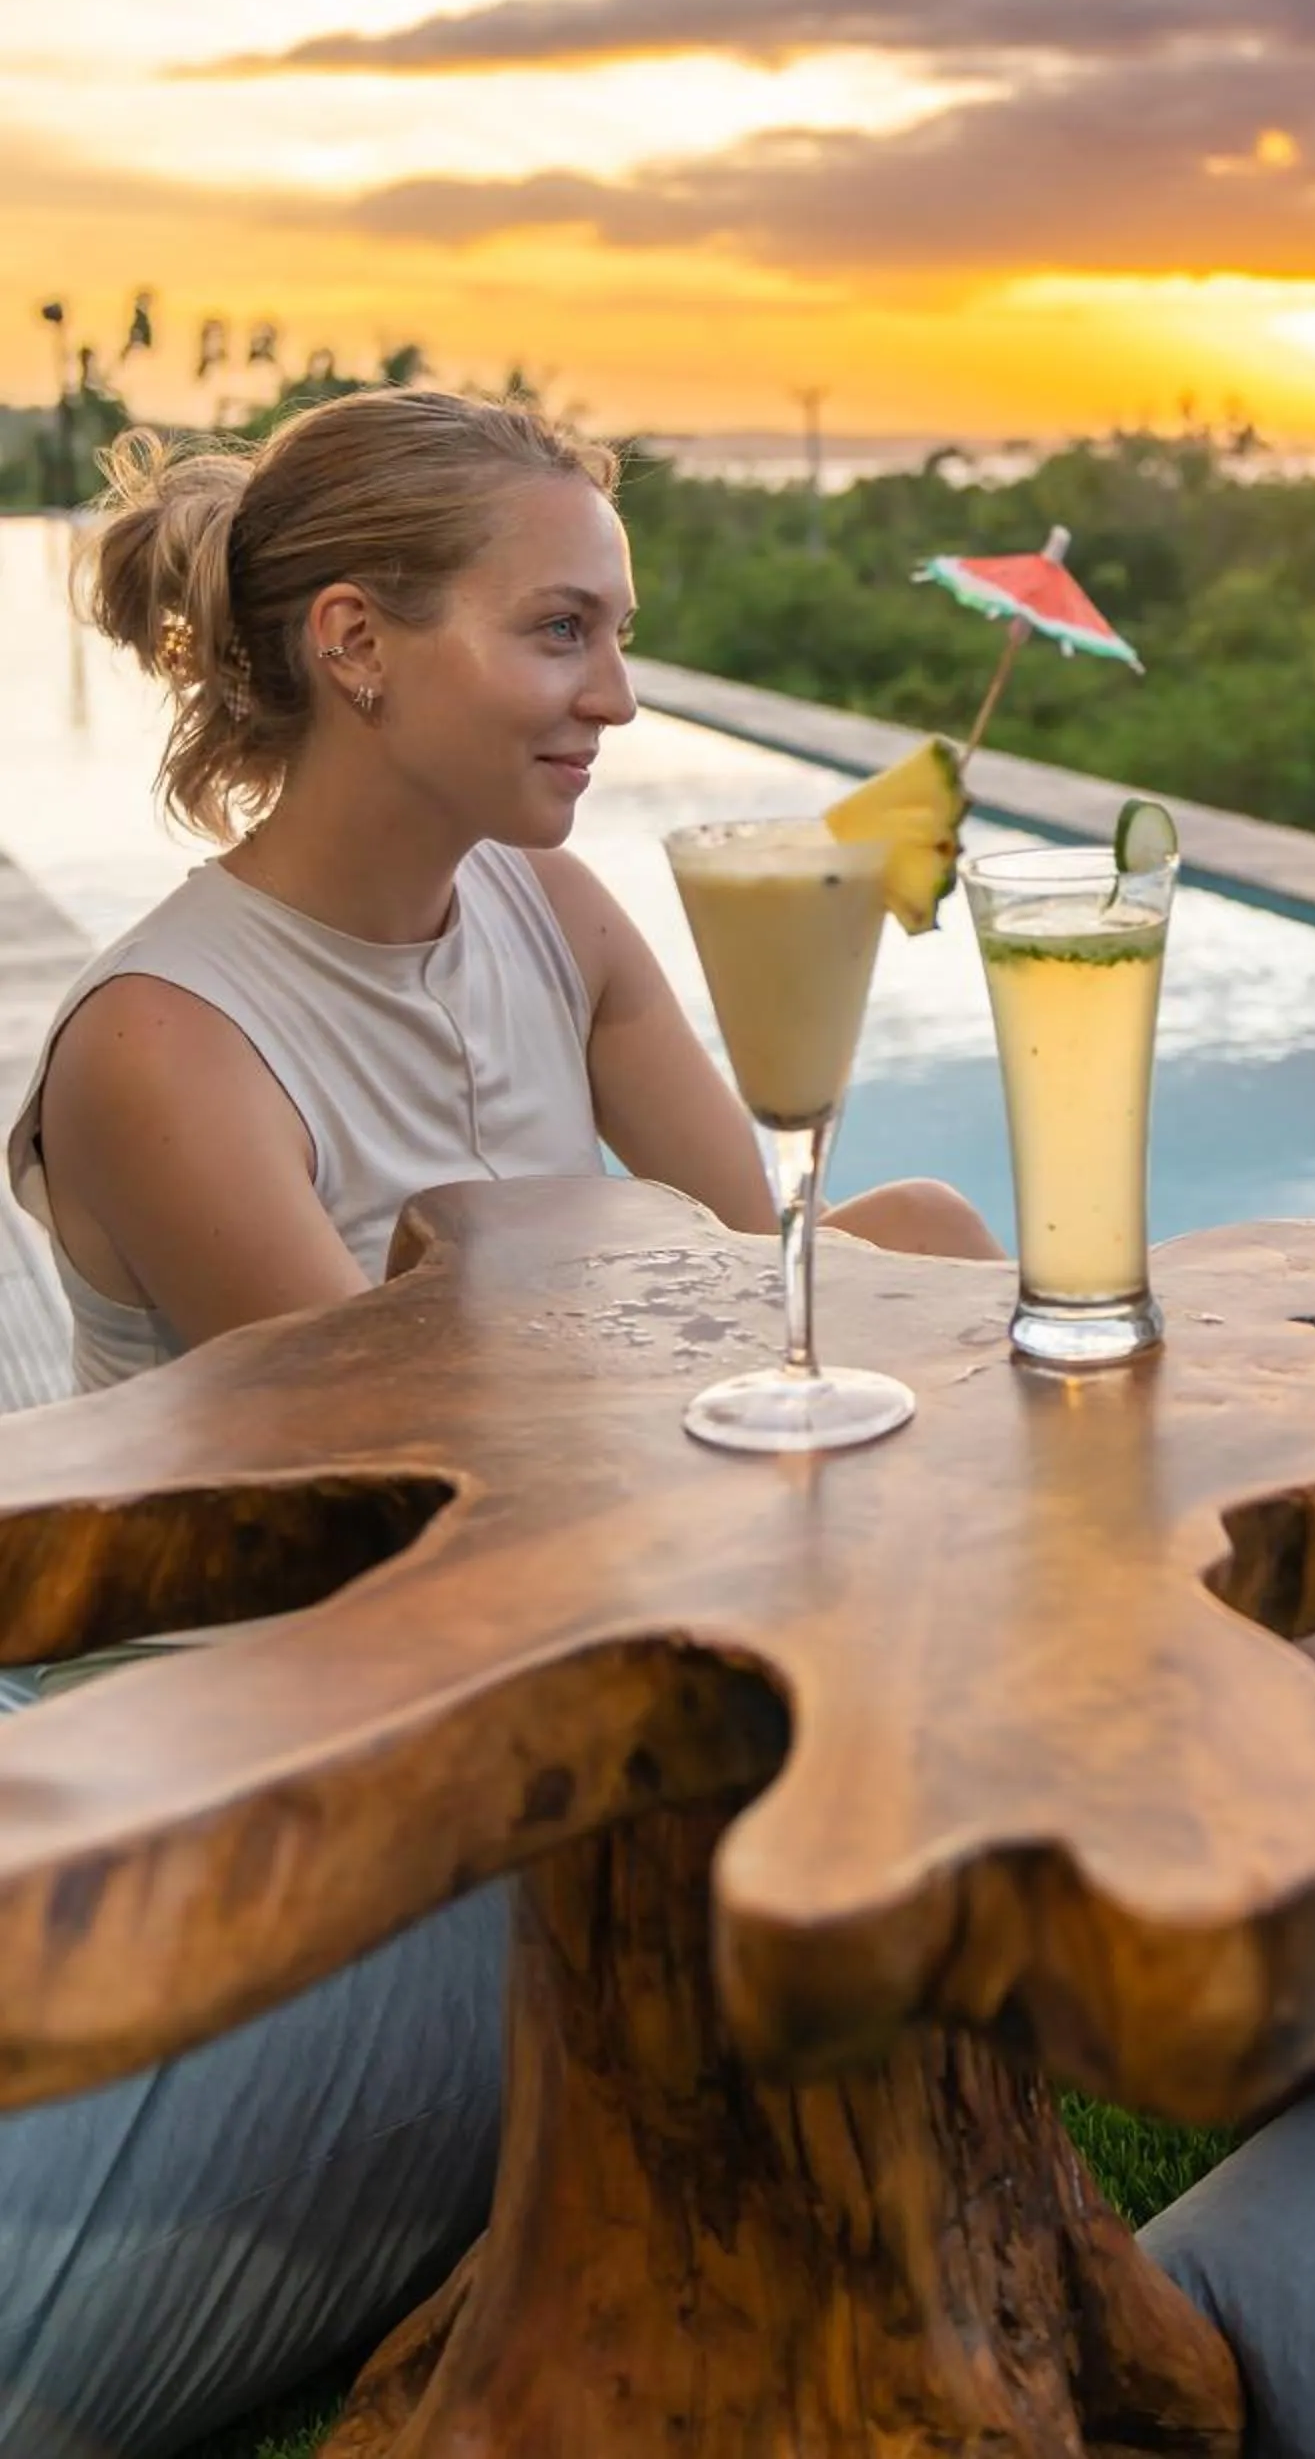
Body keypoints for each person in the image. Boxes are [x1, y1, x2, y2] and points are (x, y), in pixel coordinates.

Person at [0, 387, 995, 2454]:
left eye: (615, 637)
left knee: (928, 1234)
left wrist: (890, 1293)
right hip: (301, 1766)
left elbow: (776, 1272)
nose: (615, 696)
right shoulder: (173, 1048)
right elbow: (435, 1528)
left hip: (560, 1666)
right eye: (560, 634)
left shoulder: (554, 918)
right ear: (354, 643)